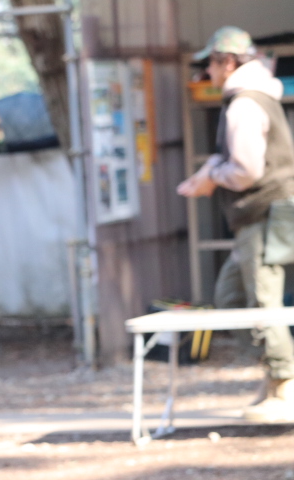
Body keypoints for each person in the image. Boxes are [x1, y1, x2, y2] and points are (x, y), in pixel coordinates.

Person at [178, 26, 294, 422]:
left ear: (228, 62)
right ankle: (275, 374)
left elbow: (246, 170)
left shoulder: (244, 103)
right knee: (230, 298)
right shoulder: (253, 97)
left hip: (263, 214)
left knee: (262, 299)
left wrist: (211, 177)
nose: (206, 72)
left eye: (210, 64)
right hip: (255, 217)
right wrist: (211, 169)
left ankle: (286, 384)